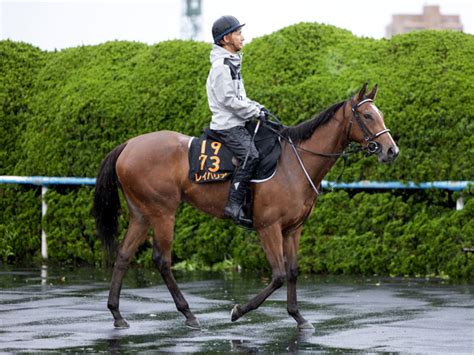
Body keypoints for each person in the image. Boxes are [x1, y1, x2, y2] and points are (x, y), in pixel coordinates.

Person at [206, 15, 268, 226]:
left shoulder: (231, 62)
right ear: (226, 39)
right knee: (250, 155)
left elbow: (240, 97)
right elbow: (229, 101)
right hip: (228, 126)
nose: (243, 37)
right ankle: (233, 204)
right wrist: (253, 112)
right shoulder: (222, 66)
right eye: (238, 33)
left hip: (238, 121)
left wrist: (257, 107)